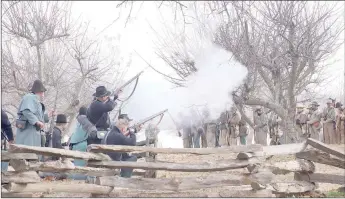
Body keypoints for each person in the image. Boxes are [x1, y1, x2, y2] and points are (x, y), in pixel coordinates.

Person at [15, 80, 50, 147]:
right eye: (42, 92)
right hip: (27, 131)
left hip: (34, 132)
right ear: (40, 91)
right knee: (27, 152)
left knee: (34, 153)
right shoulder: (29, 97)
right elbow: (26, 111)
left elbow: (39, 116)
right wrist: (36, 121)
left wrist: (48, 115)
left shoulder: (36, 101)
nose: (43, 94)